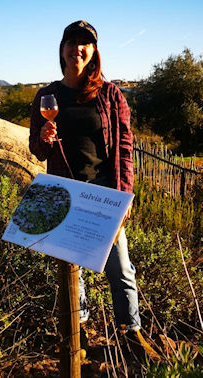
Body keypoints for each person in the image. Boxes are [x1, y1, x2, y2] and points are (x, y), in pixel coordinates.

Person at [29, 20, 160, 359]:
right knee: (73, 265)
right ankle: (79, 330)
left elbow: (126, 147)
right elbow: (37, 149)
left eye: (85, 43)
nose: (78, 49)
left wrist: (124, 193)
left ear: (94, 51)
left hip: (104, 192)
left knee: (120, 265)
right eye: (72, 42)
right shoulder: (47, 95)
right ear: (62, 50)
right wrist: (43, 139)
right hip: (64, 190)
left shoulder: (110, 94)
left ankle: (132, 333)